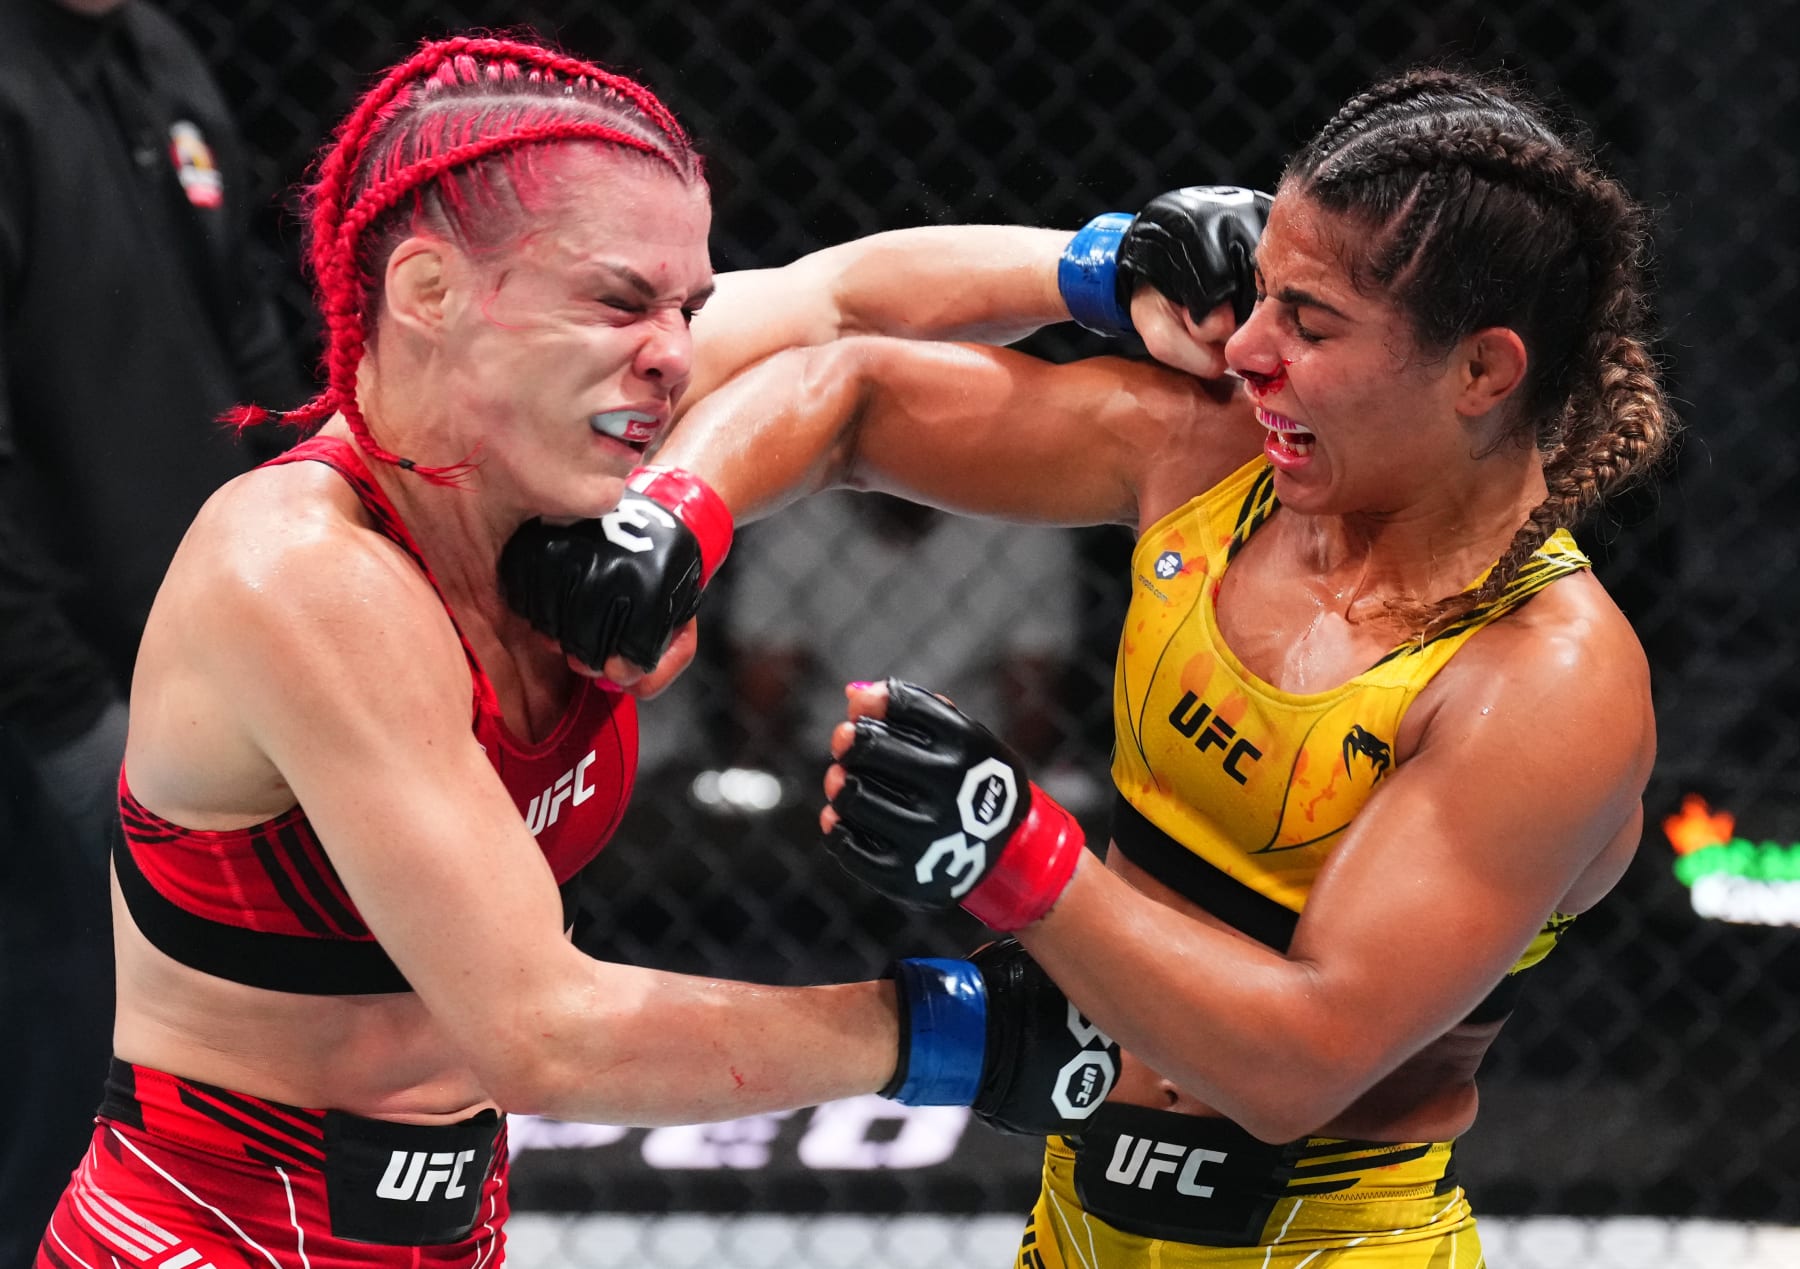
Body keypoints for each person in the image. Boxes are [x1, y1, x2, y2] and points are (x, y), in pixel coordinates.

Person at [30, 32, 1231, 1261]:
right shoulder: (305, 577)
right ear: (430, 294)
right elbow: (543, 1032)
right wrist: (951, 1034)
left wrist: (1111, 266)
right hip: (214, 1236)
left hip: (447, 1228)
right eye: (618, 299)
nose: (672, 354)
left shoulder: (555, 440)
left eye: (688, 306)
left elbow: (838, 295)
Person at [641, 67, 1674, 1266]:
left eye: (1312, 322)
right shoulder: (1216, 461)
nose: (1246, 347)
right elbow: (852, 396)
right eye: (1265, 296)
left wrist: (1007, 848)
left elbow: (1295, 1061)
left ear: (1483, 373)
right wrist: (671, 521)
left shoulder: (1541, 679)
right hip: (1075, 1222)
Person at [0, 1, 310, 1258]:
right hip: (52, 700)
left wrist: (314, 536)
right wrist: (61, 701)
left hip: (199, 670)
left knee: (193, 1084)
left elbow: (243, 330)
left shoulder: (156, 53)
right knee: (64, 1063)